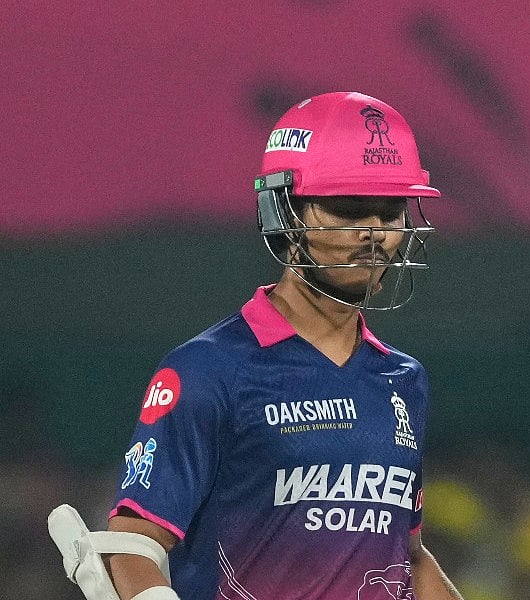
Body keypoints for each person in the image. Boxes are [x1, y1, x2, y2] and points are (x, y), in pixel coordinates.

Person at [48, 92, 464, 600]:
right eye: (349, 208)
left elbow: (409, 558)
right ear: (284, 212)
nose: (374, 233)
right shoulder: (206, 372)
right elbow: (134, 548)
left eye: (391, 210)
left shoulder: (403, 380)